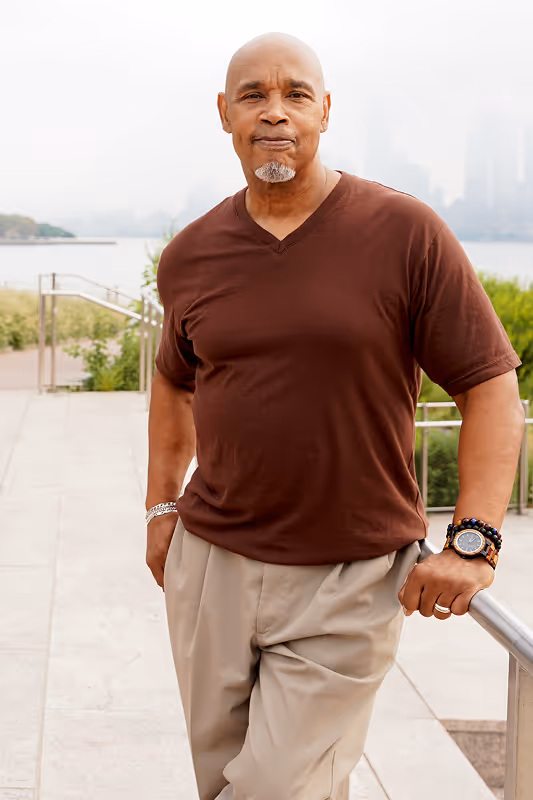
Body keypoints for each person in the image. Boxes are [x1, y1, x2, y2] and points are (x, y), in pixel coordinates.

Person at [145, 32, 525, 800]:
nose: (274, 112)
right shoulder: (190, 254)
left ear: (324, 111)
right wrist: (160, 504)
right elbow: (173, 382)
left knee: (272, 790)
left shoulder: (405, 232)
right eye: (253, 95)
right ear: (225, 114)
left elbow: (489, 385)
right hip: (212, 565)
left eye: (295, 94)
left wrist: (474, 540)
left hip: (347, 578)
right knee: (228, 783)